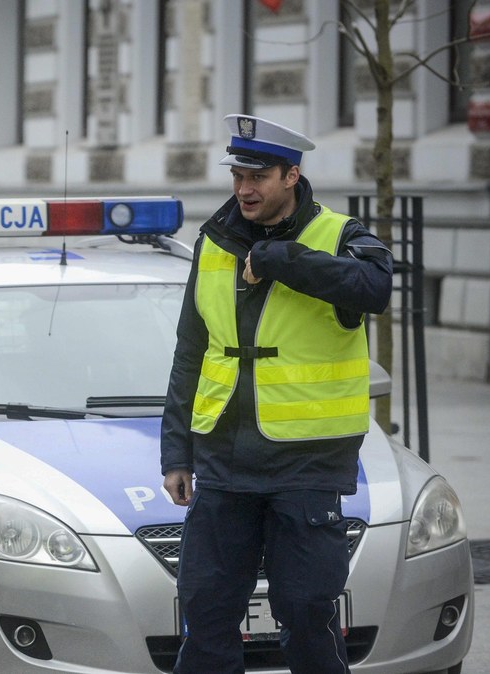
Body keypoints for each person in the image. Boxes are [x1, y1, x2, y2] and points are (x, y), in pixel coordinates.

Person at [159, 115, 393, 674]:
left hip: (306, 464)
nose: (245, 188)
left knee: (306, 612)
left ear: (292, 175)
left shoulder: (339, 235)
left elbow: (375, 288)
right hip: (223, 460)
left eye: (258, 176)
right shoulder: (213, 241)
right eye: (239, 174)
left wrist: (280, 260)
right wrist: (176, 452)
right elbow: (191, 351)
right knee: (207, 612)